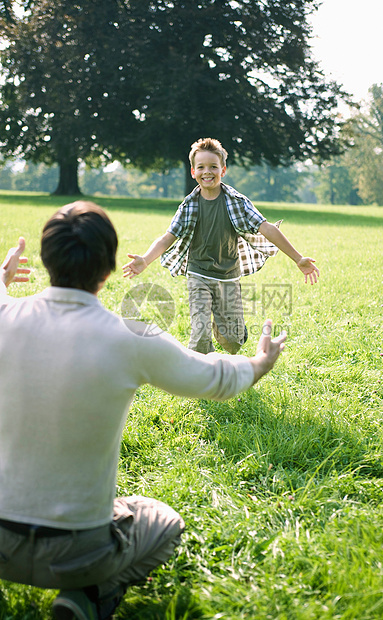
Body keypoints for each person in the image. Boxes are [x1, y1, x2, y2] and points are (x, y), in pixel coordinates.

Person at [0, 201, 287, 620]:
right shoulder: (130, 339)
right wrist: (259, 363)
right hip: (78, 552)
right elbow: (215, 379)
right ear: (109, 268)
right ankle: (86, 597)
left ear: (45, 260)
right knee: (164, 522)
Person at [123, 137, 319, 355]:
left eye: (213, 167)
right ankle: (201, 376)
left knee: (232, 342)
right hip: (198, 274)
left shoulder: (237, 202)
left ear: (223, 170)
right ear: (193, 172)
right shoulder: (189, 205)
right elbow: (167, 238)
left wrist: (298, 258)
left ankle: (228, 329)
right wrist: (145, 259)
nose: (207, 171)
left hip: (228, 277)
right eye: (201, 167)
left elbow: (268, 228)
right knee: (200, 334)